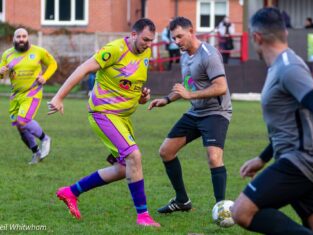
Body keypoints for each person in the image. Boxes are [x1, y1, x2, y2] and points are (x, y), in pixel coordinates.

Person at [47, 18, 160, 227]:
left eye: (151, 40)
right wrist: (59, 97)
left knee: (123, 168)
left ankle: (70, 192)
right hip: (104, 113)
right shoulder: (114, 50)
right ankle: (143, 217)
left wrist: (142, 97)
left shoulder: (145, 53)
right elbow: (83, 68)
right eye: (145, 39)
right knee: (134, 156)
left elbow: (130, 84)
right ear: (133, 35)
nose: (148, 44)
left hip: (123, 117)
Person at [231, 7, 313, 235]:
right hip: (299, 160)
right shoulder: (280, 66)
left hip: (302, 162)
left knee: (241, 212)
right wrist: (263, 158)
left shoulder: (289, 68)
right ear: (285, 33)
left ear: (256, 37)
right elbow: (291, 123)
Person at [148, 16, 232, 214]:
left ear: (191, 31)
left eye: (179, 36)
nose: (176, 42)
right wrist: (167, 99)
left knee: (213, 157)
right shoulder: (185, 55)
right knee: (166, 151)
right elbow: (188, 86)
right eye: (173, 38)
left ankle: (221, 208)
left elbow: (221, 87)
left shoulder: (209, 55)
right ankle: (182, 201)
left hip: (216, 113)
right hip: (195, 112)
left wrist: (190, 95)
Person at [0, 28, 57, 164]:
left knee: (22, 121)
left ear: (27, 38)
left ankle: (45, 139)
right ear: (13, 39)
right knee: (20, 127)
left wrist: (45, 76)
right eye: (18, 36)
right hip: (16, 95)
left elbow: (53, 64)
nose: (21, 39)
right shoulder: (7, 54)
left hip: (33, 92)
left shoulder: (39, 51)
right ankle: (36, 153)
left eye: (24, 36)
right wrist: (1, 72)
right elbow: (1, 74)